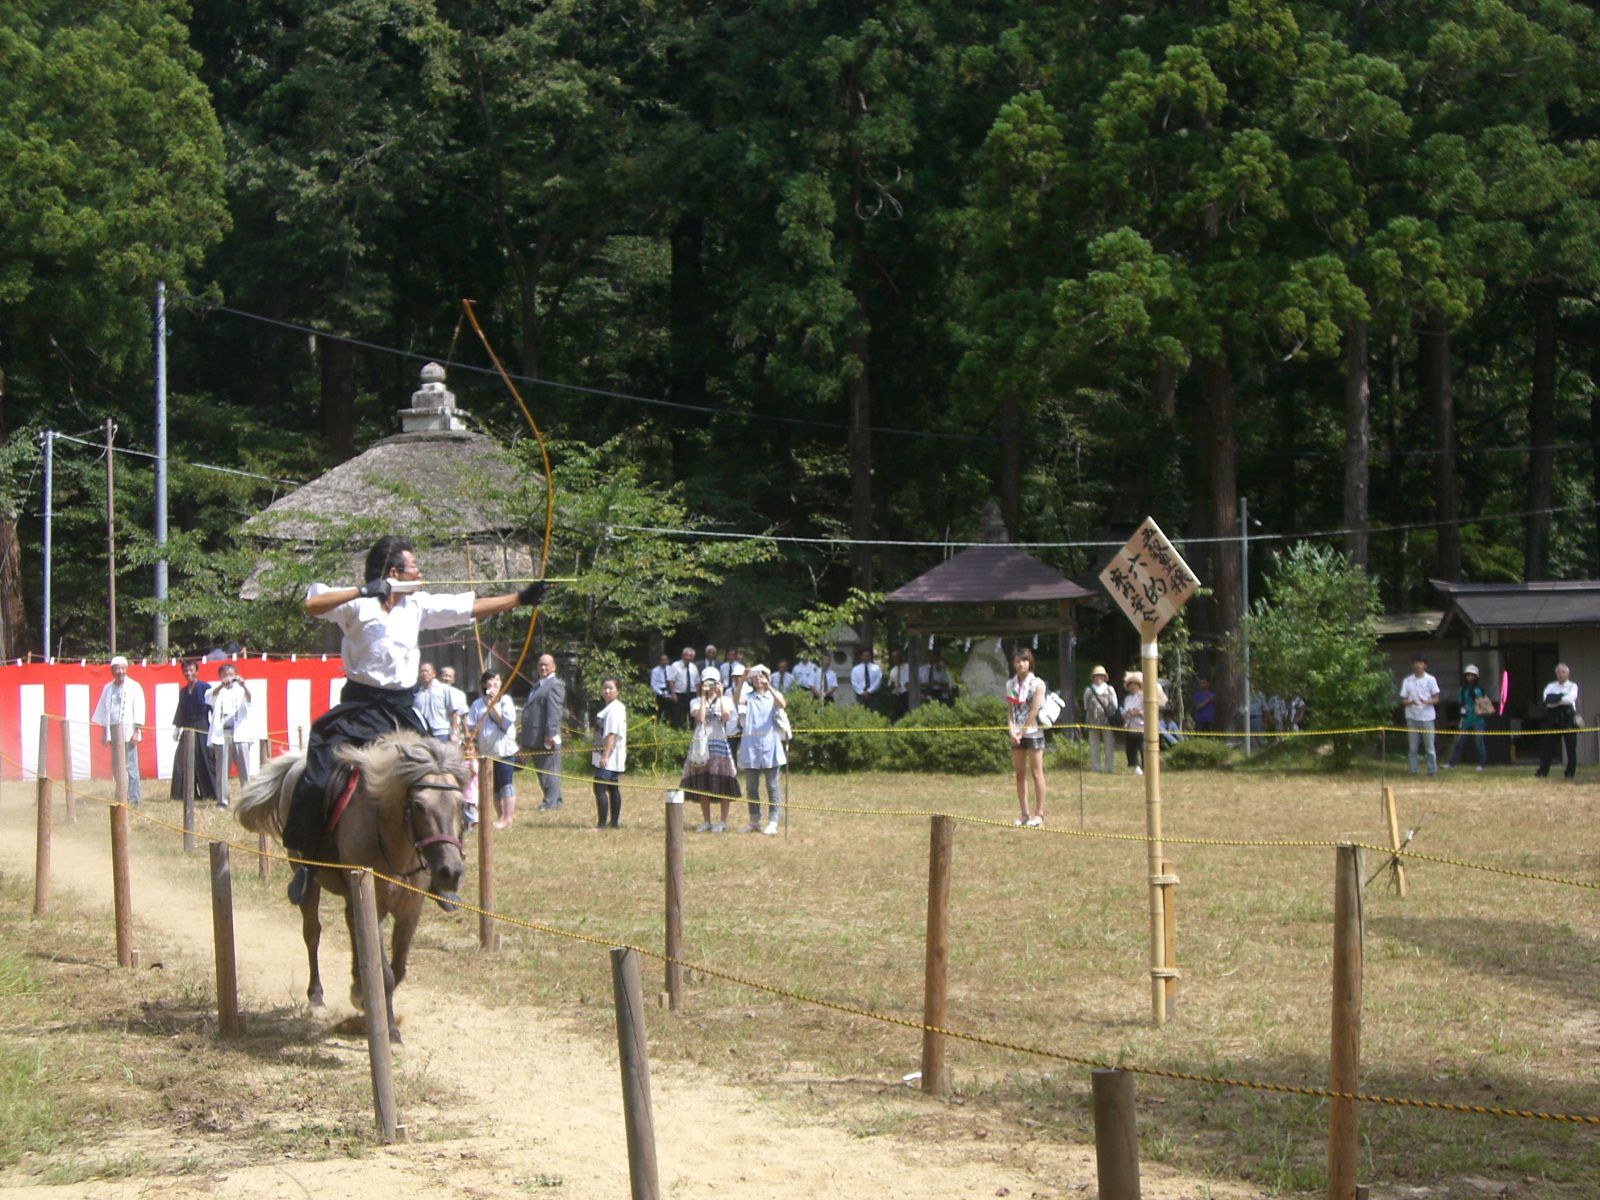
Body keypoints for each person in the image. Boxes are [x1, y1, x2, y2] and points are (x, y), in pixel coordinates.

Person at [282, 536, 545, 905]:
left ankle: (443, 870)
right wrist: (362, 589)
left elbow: (468, 607)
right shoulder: (357, 605)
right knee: (318, 774)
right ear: (393, 572)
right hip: (358, 707)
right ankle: (308, 863)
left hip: (401, 712)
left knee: (444, 777)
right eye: (413, 568)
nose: (420, 573)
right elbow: (311, 604)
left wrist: (520, 598)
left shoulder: (417, 605)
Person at [684, 670, 739, 832]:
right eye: (708, 682)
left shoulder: (727, 700)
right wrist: (702, 696)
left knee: (723, 781)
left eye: (714, 682)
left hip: (719, 743)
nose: (712, 686)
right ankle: (706, 820)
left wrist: (721, 696)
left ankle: (722, 821)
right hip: (701, 745)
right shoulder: (695, 701)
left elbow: (726, 717)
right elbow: (700, 718)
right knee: (703, 782)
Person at [739, 664, 788, 835]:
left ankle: (773, 821)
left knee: (772, 786)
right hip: (751, 746)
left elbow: (782, 704)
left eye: (762, 676)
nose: (758, 679)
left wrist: (771, 688)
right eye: (755, 677)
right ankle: (754, 820)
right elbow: (736, 699)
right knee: (751, 787)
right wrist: (742, 681)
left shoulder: (773, 695)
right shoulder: (748, 696)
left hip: (770, 745)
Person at [469, 670, 519, 829]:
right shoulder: (477, 704)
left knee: (506, 784)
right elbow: (471, 726)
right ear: (484, 684)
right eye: (490, 680)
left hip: (503, 750)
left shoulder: (505, 700)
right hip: (486, 752)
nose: (494, 682)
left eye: (497, 679)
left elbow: (504, 723)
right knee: (494, 786)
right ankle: (500, 817)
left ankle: (508, 818)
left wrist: (493, 704)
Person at [92, 655, 144, 805]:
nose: (120, 672)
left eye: (123, 668)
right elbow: (103, 711)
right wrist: (104, 733)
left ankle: (134, 797)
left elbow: (139, 710)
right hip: (113, 734)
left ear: (126, 669)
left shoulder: (134, 686)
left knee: (131, 765)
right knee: (116, 766)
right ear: (112, 671)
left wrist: (136, 732)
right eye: (117, 669)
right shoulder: (108, 688)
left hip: (128, 733)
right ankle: (121, 793)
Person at [1006, 648, 1047, 826]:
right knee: (1019, 773)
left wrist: (1022, 731)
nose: (1021, 664)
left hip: (1033, 731)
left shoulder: (1037, 683)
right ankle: (1024, 813)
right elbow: (1010, 710)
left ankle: (1039, 814)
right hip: (1016, 732)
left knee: (1037, 772)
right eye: (1017, 661)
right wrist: (1011, 730)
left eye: (1024, 660)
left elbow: (1034, 710)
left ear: (1029, 662)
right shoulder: (1010, 684)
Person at [170, 659, 216, 803]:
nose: (188, 673)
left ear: (197, 671)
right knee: (181, 761)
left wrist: (215, 728)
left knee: (204, 760)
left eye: (191, 670)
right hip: (188, 727)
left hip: (202, 726)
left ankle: (210, 793)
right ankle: (182, 794)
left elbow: (214, 709)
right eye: (186, 671)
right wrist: (177, 728)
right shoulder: (183, 691)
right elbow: (181, 710)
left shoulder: (205, 687)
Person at [207, 662, 252, 808]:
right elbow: (209, 698)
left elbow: (250, 699)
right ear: (220, 676)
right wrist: (221, 685)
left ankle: (248, 799)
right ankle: (222, 801)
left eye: (231, 675)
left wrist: (243, 685)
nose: (229, 678)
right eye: (225, 675)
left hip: (240, 733)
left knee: (244, 769)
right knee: (222, 770)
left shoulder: (240, 690)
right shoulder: (215, 689)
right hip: (222, 734)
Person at [524, 653, 566, 811]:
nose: (542, 667)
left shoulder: (555, 685)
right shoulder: (538, 685)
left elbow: (554, 712)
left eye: (546, 665)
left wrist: (550, 734)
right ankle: (556, 801)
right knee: (542, 771)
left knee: (550, 770)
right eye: (540, 664)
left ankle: (550, 803)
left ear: (553, 667)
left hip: (547, 736)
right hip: (535, 736)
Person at [590, 677, 627, 829]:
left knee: (600, 788)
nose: (607, 691)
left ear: (617, 691)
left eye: (610, 688)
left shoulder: (615, 709)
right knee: (612, 788)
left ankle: (602, 825)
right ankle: (613, 823)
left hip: (610, 756)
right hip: (607, 754)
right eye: (605, 688)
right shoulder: (609, 707)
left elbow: (611, 734)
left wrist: (605, 755)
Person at [1535, 662, 1579, 780]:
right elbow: (1546, 700)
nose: (1561, 674)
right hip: (1553, 718)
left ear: (1568, 674)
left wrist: (1556, 699)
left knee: (1570, 747)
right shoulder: (1550, 686)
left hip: (1568, 717)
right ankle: (1542, 772)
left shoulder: (1573, 686)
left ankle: (1569, 773)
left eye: (1563, 672)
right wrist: (1561, 697)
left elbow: (1570, 700)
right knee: (1548, 746)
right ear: (1556, 673)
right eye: (1559, 672)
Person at [1399, 653, 1441, 777]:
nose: (1418, 665)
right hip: (1412, 716)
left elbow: (1436, 698)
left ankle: (1432, 770)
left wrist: (1427, 702)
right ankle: (1413, 770)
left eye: (1421, 663)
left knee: (1429, 747)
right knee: (1413, 747)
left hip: (1427, 716)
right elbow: (1402, 699)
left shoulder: (1431, 679)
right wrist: (1410, 702)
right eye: (1416, 663)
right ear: (1412, 665)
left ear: (1425, 665)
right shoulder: (1408, 680)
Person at [1445, 664, 1487, 771]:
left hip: (1478, 719)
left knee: (1479, 743)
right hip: (1466, 719)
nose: (1470, 677)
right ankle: (1452, 763)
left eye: (1472, 675)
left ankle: (1481, 764)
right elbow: (1461, 702)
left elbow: (1483, 704)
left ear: (1476, 677)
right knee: (1459, 742)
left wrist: (1476, 697)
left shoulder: (1480, 689)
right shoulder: (1462, 689)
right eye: (1468, 675)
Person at [1080, 666, 1119, 774]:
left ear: (1104, 677)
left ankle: (1109, 768)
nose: (1099, 678)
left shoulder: (1110, 689)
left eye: (1101, 676)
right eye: (1097, 676)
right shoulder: (1088, 690)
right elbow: (1085, 706)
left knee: (1109, 745)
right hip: (1092, 721)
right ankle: (1095, 767)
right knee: (1094, 745)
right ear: (1093, 677)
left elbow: (1115, 704)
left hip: (1107, 721)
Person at [414, 662, 454, 742]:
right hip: (424, 734)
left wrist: (454, 732)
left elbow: (453, 712)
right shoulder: (416, 694)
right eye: (422, 671)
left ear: (434, 674)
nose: (424, 673)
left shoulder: (444, 689)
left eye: (427, 671)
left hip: (442, 733)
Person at [1122, 671, 1147, 776]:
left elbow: (1147, 711)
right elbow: (1124, 711)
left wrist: (1136, 713)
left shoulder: (1143, 697)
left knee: (1142, 746)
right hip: (1130, 725)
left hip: (1141, 725)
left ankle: (1145, 767)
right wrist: (1126, 714)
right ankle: (1134, 766)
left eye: (1135, 684)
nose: (1133, 686)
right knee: (1130, 747)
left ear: (1139, 686)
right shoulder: (1127, 698)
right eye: (1131, 684)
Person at [668, 647, 699, 729]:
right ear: (683, 655)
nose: (688, 657)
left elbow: (697, 683)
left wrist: (698, 696)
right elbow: (671, 680)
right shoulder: (675, 665)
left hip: (692, 694)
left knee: (692, 714)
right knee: (678, 714)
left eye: (690, 656)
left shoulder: (694, 667)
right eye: (687, 655)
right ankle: (677, 731)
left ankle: (692, 731)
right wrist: (673, 694)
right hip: (679, 694)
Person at [438, 666, 469, 742]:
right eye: (445, 676)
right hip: (440, 731)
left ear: (453, 679)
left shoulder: (459, 694)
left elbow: (463, 715)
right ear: (439, 677)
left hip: (454, 732)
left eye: (450, 676)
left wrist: (466, 732)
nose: (447, 678)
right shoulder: (434, 692)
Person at [649, 653, 673, 725]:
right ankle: (657, 725)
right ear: (659, 661)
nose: (664, 662)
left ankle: (669, 724)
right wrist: (661, 693)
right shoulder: (655, 671)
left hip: (669, 690)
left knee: (670, 710)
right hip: (660, 692)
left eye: (666, 660)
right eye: (662, 660)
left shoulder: (670, 669)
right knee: (659, 710)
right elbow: (653, 685)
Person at [886, 649, 910, 720]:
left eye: (897, 657)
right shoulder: (893, 670)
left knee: (906, 713)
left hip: (906, 693)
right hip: (896, 694)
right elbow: (889, 684)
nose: (895, 659)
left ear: (901, 657)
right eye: (893, 657)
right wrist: (891, 686)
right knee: (896, 715)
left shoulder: (908, 667)